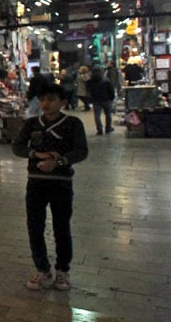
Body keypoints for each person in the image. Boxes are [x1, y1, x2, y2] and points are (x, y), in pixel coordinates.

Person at [11, 83, 88, 290]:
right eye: (42, 99)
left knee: (61, 226)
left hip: (61, 182)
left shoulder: (72, 124)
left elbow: (81, 151)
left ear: (62, 102)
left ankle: (62, 270)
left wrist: (60, 161)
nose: (46, 103)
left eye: (51, 99)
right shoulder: (31, 124)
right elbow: (17, 147)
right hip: (35, 181)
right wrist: (35, 155)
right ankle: (42, 269)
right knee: (35, 225)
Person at [88, 67, 115, 134]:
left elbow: (89, 90)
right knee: (108, 115)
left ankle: (99, 129)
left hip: (96, 100)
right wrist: (111, 98)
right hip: (106, 100)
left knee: (97, 116)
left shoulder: (90, 81)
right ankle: (108, 128)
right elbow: (111, 90)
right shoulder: (106, 80)